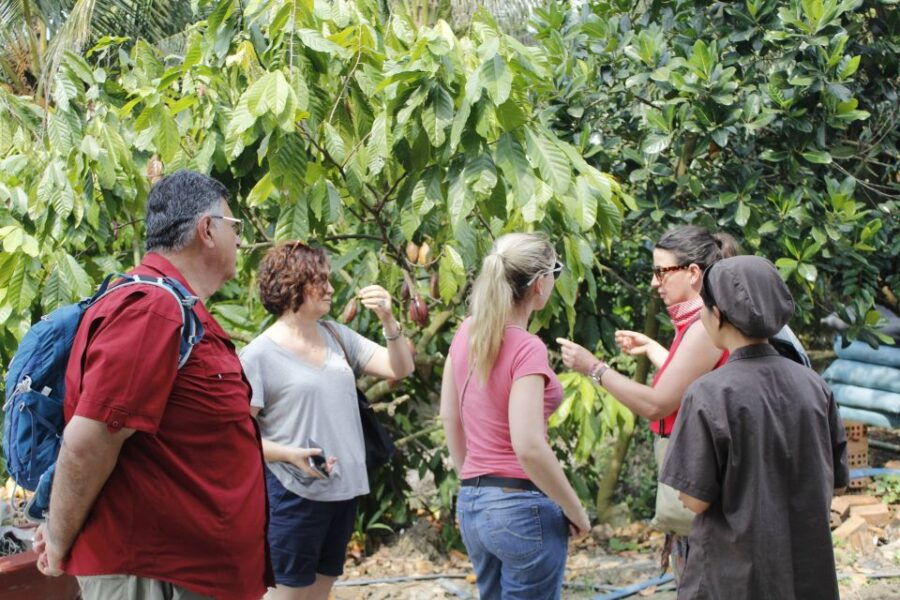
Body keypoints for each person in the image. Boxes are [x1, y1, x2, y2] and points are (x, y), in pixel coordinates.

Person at [33, 170, 272, 599]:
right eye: (234, 227)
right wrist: (57, 536)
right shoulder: (152, 310)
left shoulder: (175, 308)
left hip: (189, 573)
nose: (240, 239)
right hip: (155, 576)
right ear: (207, 230)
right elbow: (90, 440)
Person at [660, 255, 849, 599]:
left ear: (717, 316)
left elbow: (695, 499)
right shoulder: (814, 385)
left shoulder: (708, 393)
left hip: (733, 575)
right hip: (806, 572)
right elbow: (833, 481)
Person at [239, 241, 415, 600]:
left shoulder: (337, 335)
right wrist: (289, 454)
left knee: (320, 593)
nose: (331, 289)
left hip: (341, 490)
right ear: (293, 285)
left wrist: (389, 320)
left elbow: (401, 367)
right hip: (293, 494)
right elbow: (238, 437)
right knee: (285, 595)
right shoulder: (258, 355)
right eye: (320, 280)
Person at [557, 225, 731, 570]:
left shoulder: (702, 327)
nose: (655, 283)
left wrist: (594, 368)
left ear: (693, 273)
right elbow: (690, 385)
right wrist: (652, 348)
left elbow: (658, 404)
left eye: (661, 272)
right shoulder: (697, 323)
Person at [440, 233, 591, 600]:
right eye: (556, 270)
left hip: (475, 505)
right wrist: (576, 511)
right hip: (520, 507)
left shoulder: (466, 332)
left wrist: (471, 483)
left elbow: (449, 416)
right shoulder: (527, 348)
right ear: (540, 283)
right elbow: (529, 446)